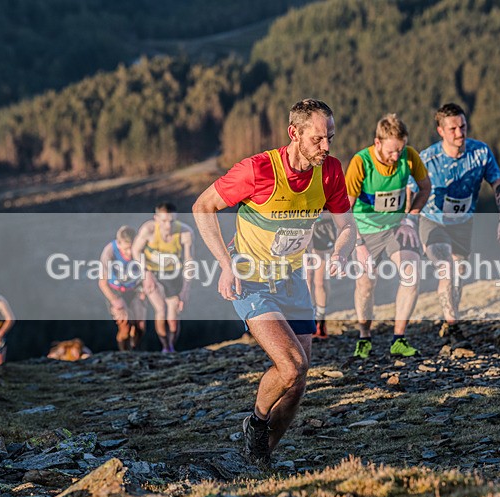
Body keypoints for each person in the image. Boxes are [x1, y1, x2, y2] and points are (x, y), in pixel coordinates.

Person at [193, 98, 356, 467]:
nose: (326, 146)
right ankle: (256, 423)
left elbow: (347, 226)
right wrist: (225, 264)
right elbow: (202, 207)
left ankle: (261, 458)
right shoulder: (257, 169)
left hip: (292, 279)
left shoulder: (329, 170)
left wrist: (342, 252)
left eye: (330, 136)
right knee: (291, 364)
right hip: (250, 278)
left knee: (297, 384)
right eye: (317, 139)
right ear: (294, 133)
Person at [408, 103, 500, 330]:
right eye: (453, 129)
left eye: (463, 126)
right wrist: (408, 222)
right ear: (441, 131)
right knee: (446, 269)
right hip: (433, 221)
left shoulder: (480, 153)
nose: (460, 133)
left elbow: (498, 184)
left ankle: (451, 316)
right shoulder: (427, 158)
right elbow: (409, 189)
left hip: (463, 223)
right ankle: (453, 326)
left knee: (459, 272)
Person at [345, 113, 431, 359]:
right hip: (364, 230)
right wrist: (358, 244)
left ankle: (399, 339)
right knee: (365, 285)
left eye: (400, 150)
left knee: (411, 274)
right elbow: (344, 209)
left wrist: (410, 218)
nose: (396, 157)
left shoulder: (409, 156)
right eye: (392, 151)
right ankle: (364, 336)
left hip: (396, 226)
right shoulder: (361, 162)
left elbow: (425, 188)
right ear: (378, 143)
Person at [132, 202, 194, 353]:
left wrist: (186, 290)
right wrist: (146, 273)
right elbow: (135, 251)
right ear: (156, 218)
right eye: (164, 221)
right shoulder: (148, 229)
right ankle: (165, 347)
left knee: (173, 315)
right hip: (152, 273)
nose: (168, 225)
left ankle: (171, 347)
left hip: (173, 274)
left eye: (172, 221)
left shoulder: (185, 232)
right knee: (160, 309)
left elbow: (189, 261)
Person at [98, 225, 148, 351]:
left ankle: (134, 349)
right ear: (119, 244)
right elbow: (102, 283)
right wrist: (114, 300)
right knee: (125, 325)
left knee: (140, 326)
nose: (130, 253)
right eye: (126, 249)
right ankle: (123, 353)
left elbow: (147, 272)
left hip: (135, 289)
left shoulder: (141, 249)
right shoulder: (109, 252)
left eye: (132, 248)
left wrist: (143, 290)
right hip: (115, 290)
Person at [305, 213, 337, 339]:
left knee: (320, 280)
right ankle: (310, 317)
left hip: (323, 227)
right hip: (304, 227)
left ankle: (321, 320)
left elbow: (339, 210)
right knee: (307, 277)